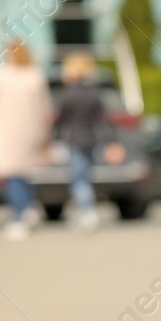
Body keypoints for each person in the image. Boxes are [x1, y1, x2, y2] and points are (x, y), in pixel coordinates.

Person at [0, 38, 54, 240]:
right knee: (24, 174)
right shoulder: (35, 76)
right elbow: (47, 111)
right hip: (30, 133)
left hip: (4, 133)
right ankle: (28, 209)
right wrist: (45, 135)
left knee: (12, 175)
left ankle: (19, 217)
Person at [53, 51, 109, 233]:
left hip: (75, 140)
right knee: (86, 176)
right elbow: (101, 119)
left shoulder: (68, 94)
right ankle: (84, 211)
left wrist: (54, 139)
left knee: (79, 179)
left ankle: (87, 212)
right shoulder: (93, 93)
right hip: (91, 141)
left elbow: (60, 121)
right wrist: (111, 142)